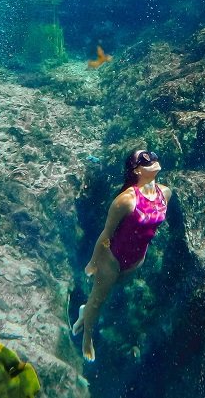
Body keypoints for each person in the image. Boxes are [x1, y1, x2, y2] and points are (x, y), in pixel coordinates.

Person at [72, 149, 171, 361]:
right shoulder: (124, 201)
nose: (153, 159)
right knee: (98, 300)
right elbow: (106, 234)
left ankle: (85, 311)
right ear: (136, 170)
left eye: (152, 155)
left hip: (136, 259)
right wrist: (93, 262)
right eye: (145, 159)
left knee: (104, 295)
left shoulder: (166, 193)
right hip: (113, 259)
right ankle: (87, 336)